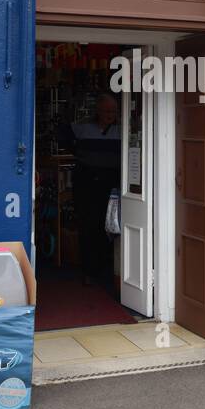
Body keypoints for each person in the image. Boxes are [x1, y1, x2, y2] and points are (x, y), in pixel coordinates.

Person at [66, 94, 121, 288]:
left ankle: (107, 269)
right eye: (106, 111)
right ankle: (89, 271)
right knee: (89, 226)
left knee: (110, 226)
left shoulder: (122, 129)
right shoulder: (83, 127)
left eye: (113, 111)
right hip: (87, 183)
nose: (110, 115)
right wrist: (79, 153)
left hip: (111, 183)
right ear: (98, 111)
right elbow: (63, 134)